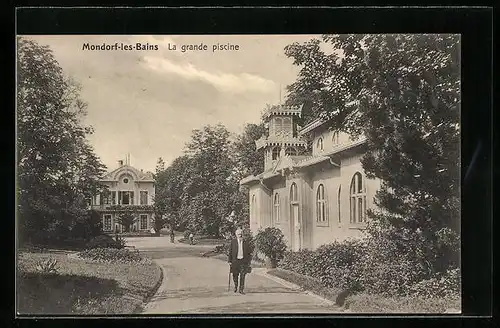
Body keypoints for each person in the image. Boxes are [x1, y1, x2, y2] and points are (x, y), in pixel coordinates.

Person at [228, 227, 251, 294]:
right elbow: (230, 251)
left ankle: (241, 289)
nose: (240, 235)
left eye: (241, 234)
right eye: (238, 234)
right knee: (235, 275)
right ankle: (236, 286)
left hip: (243, 261)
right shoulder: (233, 242)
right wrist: (229, 260)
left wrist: (248, 262)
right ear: (236, 235)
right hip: (235, 261)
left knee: (242, 275)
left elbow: (249, 253)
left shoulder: (246, 242)